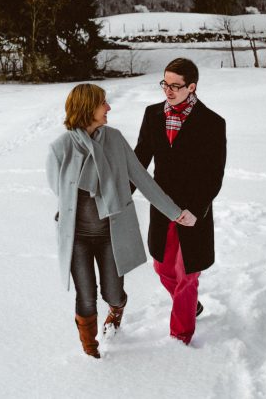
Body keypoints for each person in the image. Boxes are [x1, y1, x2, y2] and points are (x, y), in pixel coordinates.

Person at [46, 83, 196, 358]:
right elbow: (59, 189)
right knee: (86, 295)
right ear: (87, 108)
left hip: (110, 235)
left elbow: (141, 179)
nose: (109, 108)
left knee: (113, 293)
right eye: (103, 103)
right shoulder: (61, 148)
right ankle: (90, 350)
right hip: (77, 237)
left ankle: (117, 309)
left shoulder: (114, 140)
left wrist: (175, 212)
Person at [135, 57, 226, 345]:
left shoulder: (212, 123)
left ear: (192, 87)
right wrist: (122, 197)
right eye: (165, 84)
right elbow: (139, 161)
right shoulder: (152, 115)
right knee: (162, 267)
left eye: (176, 86)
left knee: (187, 274)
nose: (168, 91)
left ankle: (180, 336)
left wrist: (196, 210)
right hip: (161, 207)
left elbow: (214, 174)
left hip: (192, 211)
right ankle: (190, 304)